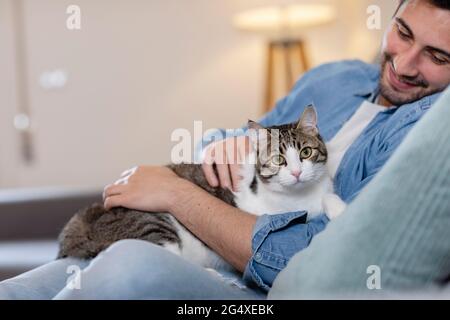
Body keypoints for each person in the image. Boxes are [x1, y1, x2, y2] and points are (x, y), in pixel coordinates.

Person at [0, 0, 449, 299]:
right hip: (210, 225)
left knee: (128, 267)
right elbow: (230, 138)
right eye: (403, 33)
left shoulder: (430, 131)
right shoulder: (334, 78)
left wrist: (174, 193)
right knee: (23, 290)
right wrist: (222, 146)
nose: (405, 64)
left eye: (437, 56)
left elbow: (300, 262)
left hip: (250, 284)